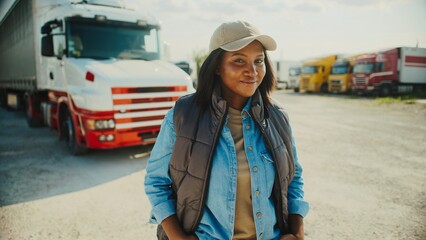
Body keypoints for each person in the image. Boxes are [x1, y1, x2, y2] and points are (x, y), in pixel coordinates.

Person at [144, 20, 309, 240]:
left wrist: (297, 233)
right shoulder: (182, 116)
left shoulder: (278, 116)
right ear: (217, 67)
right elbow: (156, 183)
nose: (252, 71)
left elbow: (293, 177)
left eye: (258, 61)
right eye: (239, 60)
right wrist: (178, 238)